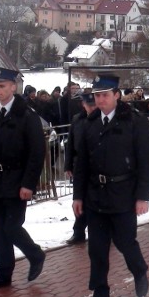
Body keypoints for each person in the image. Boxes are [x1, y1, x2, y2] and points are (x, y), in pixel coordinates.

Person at [72, 74, 149, 297]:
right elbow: (82, 164)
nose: (100, 100)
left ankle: (139, 272)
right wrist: (78, 196)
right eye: (97, 96)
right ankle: (100, 294)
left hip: (124, 194)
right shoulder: (90, 123)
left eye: (105, 95)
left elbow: (147, 160)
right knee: (96, 248)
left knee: (125, 242)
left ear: (116, 95)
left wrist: (143, 196)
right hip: (95, 196)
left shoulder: (134, 121)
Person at [0, 67, 47, 291]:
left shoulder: (27, 115)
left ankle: (35, 254)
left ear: (13, 87)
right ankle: (3, 274)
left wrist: (28, 184)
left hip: (17, 180)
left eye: (2, 86)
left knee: (11, 227)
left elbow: (36, 153)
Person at [62, 90, 96, 244]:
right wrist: (68, 164)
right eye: (89, 105)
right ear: (83, 104)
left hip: (97, 166)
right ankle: (79, 232)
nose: (91, 108)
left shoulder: (102, 120)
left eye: (93, 105)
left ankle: (100, 231)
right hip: (79, 167)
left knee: (95, 200)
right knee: (78, 199)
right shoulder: (77, 120)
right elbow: (70, 145)